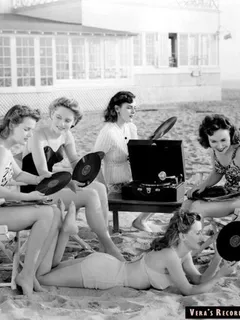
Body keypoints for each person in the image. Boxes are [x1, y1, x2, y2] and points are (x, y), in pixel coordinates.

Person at [36, 206, 235, 296]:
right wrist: (219, 278)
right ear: (183, 236)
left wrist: (218, 258)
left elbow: (199, 280)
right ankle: (62, 231)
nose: (203, 238)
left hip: (107, 265)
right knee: (42, 278)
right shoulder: (170, 256)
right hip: (103, 275)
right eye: (198, 233)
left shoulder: (181, 254)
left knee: (48, 269)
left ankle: (65, 232)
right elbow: (190, 291)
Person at [21, 97, 124, 262]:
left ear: (74, 122)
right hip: (35, 189)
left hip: (53, 184)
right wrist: (69, 178)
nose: (62, 123)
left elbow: (75, 160)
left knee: (98, 188)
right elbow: (43, 171)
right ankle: (110, 246)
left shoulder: (66, 135)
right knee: (90, 196)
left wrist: (88, 169)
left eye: (68, 120)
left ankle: (104, 242)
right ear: (51, 115)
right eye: (58, 117)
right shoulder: (37, 136)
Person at [0, 105, 63, 297]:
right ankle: (27, 275)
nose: (29, 135)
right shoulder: (1, 151)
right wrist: (28, 197)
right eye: (26, 129)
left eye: (31, 130)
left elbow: (17, 174)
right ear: (11, 124)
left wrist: (39, 180)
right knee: (45, 213)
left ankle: (30, 272)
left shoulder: (6, 150)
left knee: (54, 212)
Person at [93, 91, 154, 232]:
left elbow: (135, 157)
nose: (133, 111)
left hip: (130, 182)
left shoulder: (130, 127)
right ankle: (140, 221)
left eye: (135, 108)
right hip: (114, 186)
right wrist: (104, 189)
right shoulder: (108, 132)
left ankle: (141, 220)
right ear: (116, 109)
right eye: (129, 107)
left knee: (164, 185)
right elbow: (94, 162)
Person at [185, 114, 240, 219]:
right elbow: (218, 172)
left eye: (223, 140)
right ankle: (178, 235)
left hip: (237, 197)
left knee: (197, 208)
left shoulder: (239, 152)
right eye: (213, 141)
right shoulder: (214, 151)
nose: (219, 146)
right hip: (230, 193)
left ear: (231, 136)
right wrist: (203, 185)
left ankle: (194, 235)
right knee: (186, 205)